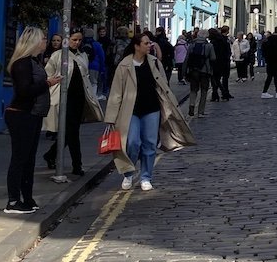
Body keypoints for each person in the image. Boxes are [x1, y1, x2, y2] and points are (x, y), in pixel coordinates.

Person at [104, 32, 195, 191]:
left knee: (150, 144)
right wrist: (111, 117)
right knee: (132, 142)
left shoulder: (154, 62)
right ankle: (129, 173)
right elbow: (116, 93)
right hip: (130, 111)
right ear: (137, 46)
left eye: (149, 43)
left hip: (151, 109)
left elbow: (163, 87)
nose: (149, 45)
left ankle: (146, 176)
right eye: (146, 43)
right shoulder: (124, 65)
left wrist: (171, 106)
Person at [4, 28, 57, 214]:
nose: (46, 41)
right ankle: (12, 202)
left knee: (29, 159)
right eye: (43, 39)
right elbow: (25, 91)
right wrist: (48, 83)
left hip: (32, 115)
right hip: (21, 115)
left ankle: (27, 198)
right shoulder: (22, 63)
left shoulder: (34, 62)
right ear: (34, 41)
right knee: (20, 158)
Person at [44, 29, 103, 176]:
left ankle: (50, 155)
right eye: (74, 39)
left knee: (69, 132)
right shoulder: (58, 55)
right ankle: (77, 165)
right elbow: (48, 74)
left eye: (79, 40)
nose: (77, 43)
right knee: (72, 133)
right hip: (64, 98)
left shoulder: (82, 55)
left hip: (79, 98)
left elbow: (85, 76)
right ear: (67, 39)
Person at [185, 28, 215, 118]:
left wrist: (184, 71)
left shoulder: (192, 45)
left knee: (193, 90)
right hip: (204, 71)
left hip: (193, 70)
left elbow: (187, 58)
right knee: (204, 91)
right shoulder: (209, 46)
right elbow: (213, 58)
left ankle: (192, 105)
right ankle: (201, 112)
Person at [208, 26, 233, 101]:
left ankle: (219, 93)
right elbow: (228, 51)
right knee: (218, 79)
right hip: (224, 62)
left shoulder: (214, 42)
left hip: (216, 62)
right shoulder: (223, 40)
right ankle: (218, 94)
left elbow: (212, 53)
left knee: (215, 80)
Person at [261, 26, 277, 98]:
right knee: (276, 76)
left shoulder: (268, 38)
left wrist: (266, 57)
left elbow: (263, 48)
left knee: (269, 76)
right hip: (275, 60)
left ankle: (264, 92)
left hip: (269, 60)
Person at [85, 29, 107, 101]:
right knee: (94, 82)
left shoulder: (82, 43)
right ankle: (93, 98)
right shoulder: (96, 44)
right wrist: (102, 68)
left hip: (84, 65)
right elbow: (102, 57)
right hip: (94, 66)